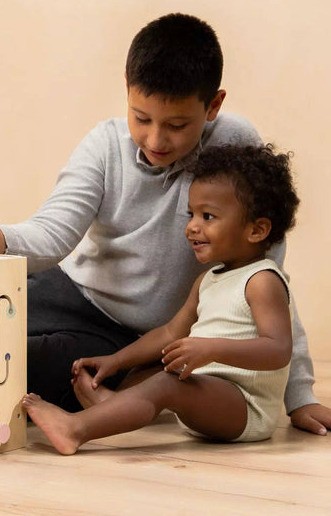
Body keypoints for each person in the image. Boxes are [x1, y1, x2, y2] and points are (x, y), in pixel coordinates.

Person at [0, 13, 331, 435]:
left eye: (177, 125)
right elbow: (53, 233)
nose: (155, 140)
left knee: (11, 360)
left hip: (137, 338)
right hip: (70, 292)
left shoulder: (235, 142)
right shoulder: (104, 144)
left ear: (214, 106)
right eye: (141, 117)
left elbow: (270, 272)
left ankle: (123, 391)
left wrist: (301, 396)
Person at [22, 144, 299, 453]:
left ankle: (76, 429)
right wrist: (115, 362)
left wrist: (212, 348)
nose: (192, 226)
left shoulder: (262, 280)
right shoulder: (207, 280)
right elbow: (169, 333)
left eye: (208, 216)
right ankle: (112, 406)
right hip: (210, 391)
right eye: (191, 214)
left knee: (168, 382)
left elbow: (278, 349)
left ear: (257, 230)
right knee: (162, 368)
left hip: (246, 407)